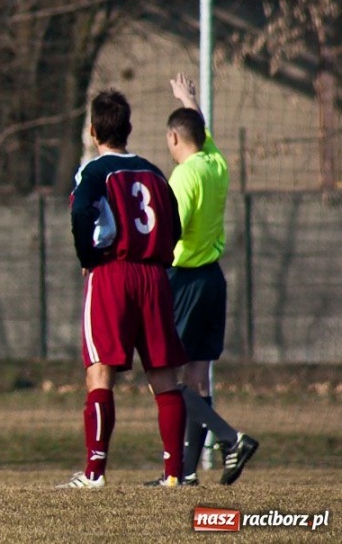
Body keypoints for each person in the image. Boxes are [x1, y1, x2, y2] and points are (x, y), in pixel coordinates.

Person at [59, 89, 188, 489]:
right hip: (154, 276)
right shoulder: (153, 172)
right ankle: (174, 473)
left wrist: (87, 255)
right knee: (163, 374)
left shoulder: (94, 171)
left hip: (112, 272)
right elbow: (175, 224)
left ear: (93, 131)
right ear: (128, 129)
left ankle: (94, 473)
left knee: (100, 371)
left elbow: (81, 211)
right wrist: (161, 256)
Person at [152, 73, 258, 486]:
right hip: (213, 278)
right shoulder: (216, 163)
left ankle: (231, 438)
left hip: (185, 280)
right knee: (197, 378)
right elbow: (201, 133)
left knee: (163, 376)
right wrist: (189, 101)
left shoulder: (184, 175)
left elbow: (171, 230)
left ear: (173, 138)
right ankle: (185, 473)